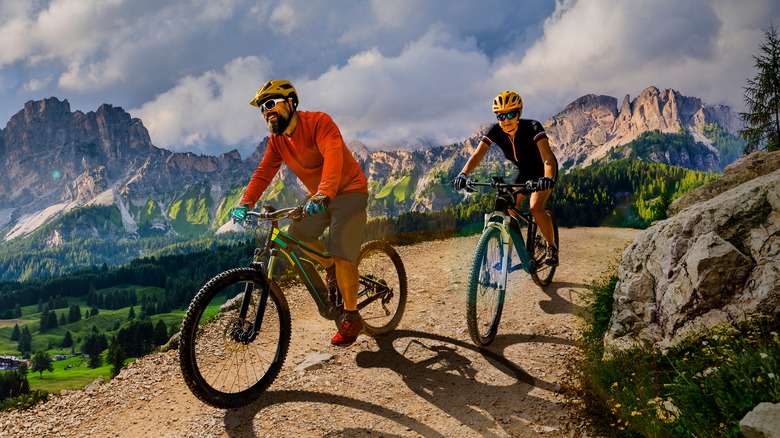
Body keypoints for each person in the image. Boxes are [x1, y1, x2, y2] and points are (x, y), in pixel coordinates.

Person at [232, 79, 369, 346]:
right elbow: (263, 173)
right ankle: (330, 269)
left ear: (291, 103)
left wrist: (324, 191)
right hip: (320, 195)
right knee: (296, 235)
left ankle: (352, 317)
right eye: (262, 108)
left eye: (271, 104)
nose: (266, 112)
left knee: (340, 247)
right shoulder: (277, 141)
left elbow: (332, 155)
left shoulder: (319, 122)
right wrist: (245, 202)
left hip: (349, 190)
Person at [454, 91, 559, 266]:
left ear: (519, 114)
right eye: (501, 116)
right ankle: (507, 258)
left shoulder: (533, 126)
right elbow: (477, 155)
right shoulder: (495, 130)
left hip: (542, 170)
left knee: (535, 208)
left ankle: (551, 247)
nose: (506, 120)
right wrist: (463, 174)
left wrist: (547, 178)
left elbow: (547, 157)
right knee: (510, 209)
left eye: (511, 114)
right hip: (521, 170)